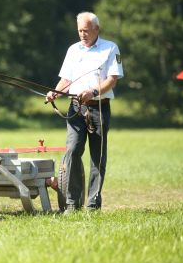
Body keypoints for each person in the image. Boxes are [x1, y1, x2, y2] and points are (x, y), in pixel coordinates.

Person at [45, 12, 124, 213]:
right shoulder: (73, 50)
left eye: (86, 31)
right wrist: (55, 93)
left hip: (99, 107)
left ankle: (93, 204)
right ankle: (71, 203)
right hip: (75, 108)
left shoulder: (110, 48)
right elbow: (66, 81)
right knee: (72, 151)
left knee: (97, 157)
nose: (82, 34)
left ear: (96, 29)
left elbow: (112, 79)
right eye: (80, 30)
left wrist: (94, 92)